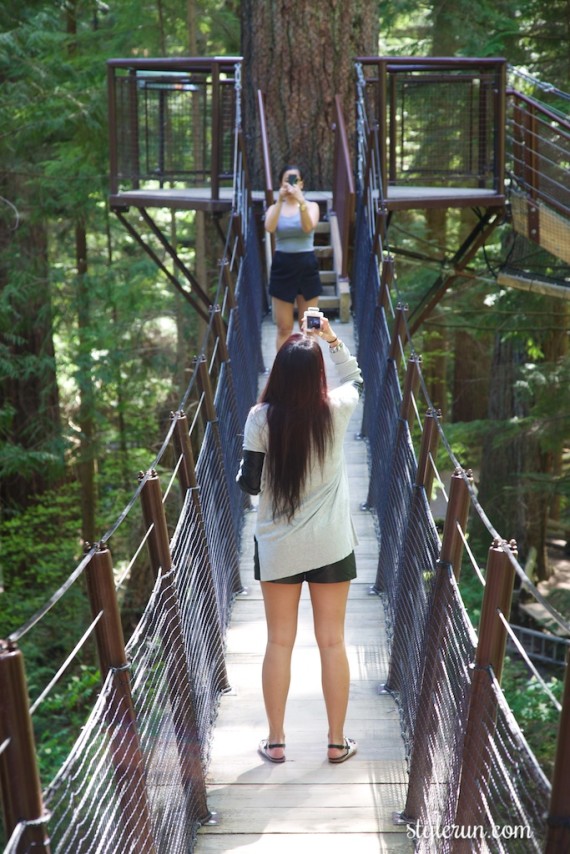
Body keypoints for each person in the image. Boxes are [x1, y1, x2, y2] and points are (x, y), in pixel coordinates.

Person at [236, 317, 362, 765]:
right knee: (332, 642)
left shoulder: (259, 418)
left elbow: (249, 485)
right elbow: (356, 377)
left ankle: (275, 742)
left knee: (279, 643)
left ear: (278, 375)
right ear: (317, 376)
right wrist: (329, 337)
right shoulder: (336, 408)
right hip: (331, 544)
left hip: (278, 546)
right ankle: (336, 741)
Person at [264, 165, 322, 351]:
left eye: (294, 180)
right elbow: (270, 228)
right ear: (280, 184)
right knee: (284, 328)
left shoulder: (312, 206)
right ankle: (282, 373)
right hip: (283, 267)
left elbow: (308, 227)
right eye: (286, 181)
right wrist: (280, 201)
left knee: (311, 328)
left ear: (301, 183)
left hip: (307, 267)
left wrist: (300, 201)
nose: (291, 185)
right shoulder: (274, 208)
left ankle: (312, 372)